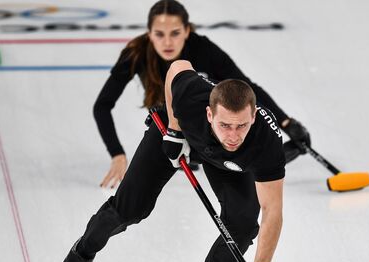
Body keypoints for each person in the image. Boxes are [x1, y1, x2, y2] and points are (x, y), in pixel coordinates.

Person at [55, 59, 286, 262]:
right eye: (225, 125)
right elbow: (177, 67)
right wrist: (175, 131)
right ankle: (83, 251)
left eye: (241, 125)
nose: (233, 135)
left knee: (243, 221)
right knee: (131, 208)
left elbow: (272, 208)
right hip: (178, 134)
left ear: (253, 116)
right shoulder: (193, 98)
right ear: (210, 114)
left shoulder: (266, 140)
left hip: (223, 161)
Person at [96, 0, 311, 189]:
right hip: (166, 124)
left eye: (175, 33)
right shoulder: (136, 53)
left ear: (187, 31)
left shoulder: (203, 49)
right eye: (159, 34)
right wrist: (117, 154)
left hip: (210, 125)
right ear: (149, 34)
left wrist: (285, 122)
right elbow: (102, 105)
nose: (168, 42)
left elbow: (247, 88)